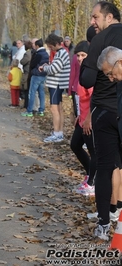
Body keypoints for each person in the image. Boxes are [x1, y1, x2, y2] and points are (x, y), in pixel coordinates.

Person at [80, 1, 122, 241]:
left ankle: (104, 224)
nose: (92, 22)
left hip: (104, 111)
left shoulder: (100, 39)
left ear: (109, 16)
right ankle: (118, 211)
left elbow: (86, 80)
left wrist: (95, 69)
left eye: (96, 17)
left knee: (105, 167)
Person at [69, 40, 95, 196]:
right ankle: (89, 174)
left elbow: (95, 98)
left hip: (89, 121)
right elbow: (80, 97)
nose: (79, 58)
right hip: (82, 118)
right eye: (78, 55)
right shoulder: (81, 70)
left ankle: (93, 183)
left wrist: (89, 119)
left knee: (94, 152)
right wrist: (78, 114)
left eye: (83, 55)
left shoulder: (91, 73)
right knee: (75, 145)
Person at [39, 34, 70, 143]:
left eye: (50, 46)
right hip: (59, 84)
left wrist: (44, 67)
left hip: (56, 84)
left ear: (55, 44)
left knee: (54, 109)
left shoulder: (60, 54)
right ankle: (59, 133)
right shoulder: (62, 53)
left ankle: (57, 133)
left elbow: (54, 69)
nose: (50, 48)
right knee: (59, 109)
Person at [21, 38, 48, 117]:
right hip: (43, 75)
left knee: (32, 93)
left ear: (37, 45)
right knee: (41, 93)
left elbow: (32, 64)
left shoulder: (38, 54)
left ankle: (29, 110)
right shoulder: (46, 53)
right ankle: (41, 110)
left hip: (36, 75)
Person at [19, 41, 32, 109]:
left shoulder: (27, 54)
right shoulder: (33, 52)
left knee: (26, 89)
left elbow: (22, 61)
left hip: (27, 72)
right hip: (30, 72)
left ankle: (26, 104)